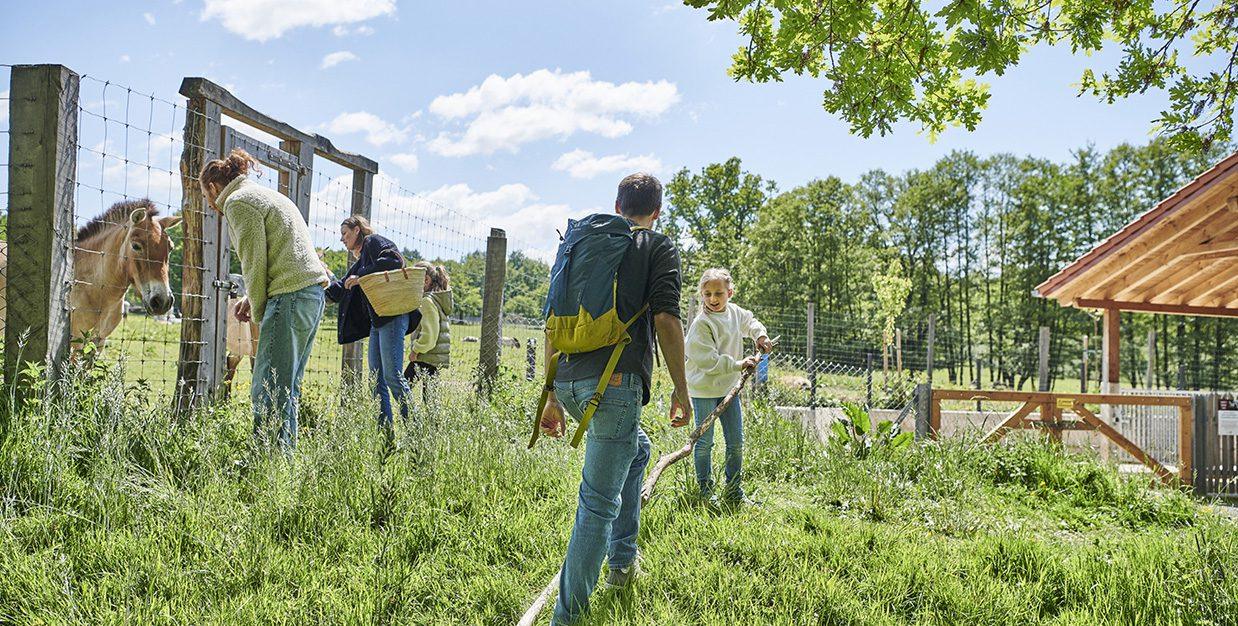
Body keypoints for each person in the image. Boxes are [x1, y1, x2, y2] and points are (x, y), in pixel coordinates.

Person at [538, 173, 691, 625]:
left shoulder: (581, 243)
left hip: (566, 377)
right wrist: (682, 392)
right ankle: (566, 618)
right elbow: (665, 318)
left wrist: (549, 395)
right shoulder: (656, 245)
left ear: (617, 205)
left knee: (638, 448)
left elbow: (552, 319)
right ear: (657, 212)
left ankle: (621, 561)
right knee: (597, 504)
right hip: (613, 385)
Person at [199, 149, 329, 450]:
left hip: (289, 298)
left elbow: (254, 263)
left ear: (214, 187)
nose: (209, 203)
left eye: (206, 195)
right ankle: (284, 460)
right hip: (310, 295)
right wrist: (250, 297)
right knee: (287, 387)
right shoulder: (269, 195)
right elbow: (279, 256)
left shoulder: (237, 202)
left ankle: (266, 465)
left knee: (267, 387)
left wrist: (258, 316)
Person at [685, 268, 773, 504]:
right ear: (701, 294)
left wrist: (760, 336)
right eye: (707, 294)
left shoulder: (734, 313)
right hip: (704, 390)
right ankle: (705, 490)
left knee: (735, 442)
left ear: (730, 293)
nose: (713, 299)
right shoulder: (701, 324)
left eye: (718, 293)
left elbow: (750, 322)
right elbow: (707, 361)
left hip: (728, 390)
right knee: (704, 443)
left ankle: (734, 489)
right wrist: (738, 364)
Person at [325, 215, 416, 439]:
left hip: (393, 316)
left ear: (357, 230)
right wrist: (320, 285)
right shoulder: (361, 260)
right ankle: (386, 437)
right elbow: (341, 287)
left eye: (345, 234)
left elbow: (394, 260)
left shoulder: (373, 242)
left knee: (393, 377)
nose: (342, 240)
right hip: (378, 321)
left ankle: (416, 431)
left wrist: (361, 276)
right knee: (377, 380)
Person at [403, 261, 453, 403]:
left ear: (426, 280)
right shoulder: (435, 300)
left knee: (404, 386)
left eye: (414, 280)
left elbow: (430, 334)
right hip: (433, 357)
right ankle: (431, 424)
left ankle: (411, 419)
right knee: (430, 398)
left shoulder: (427, 301)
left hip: (425, 355)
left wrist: (416, 349)